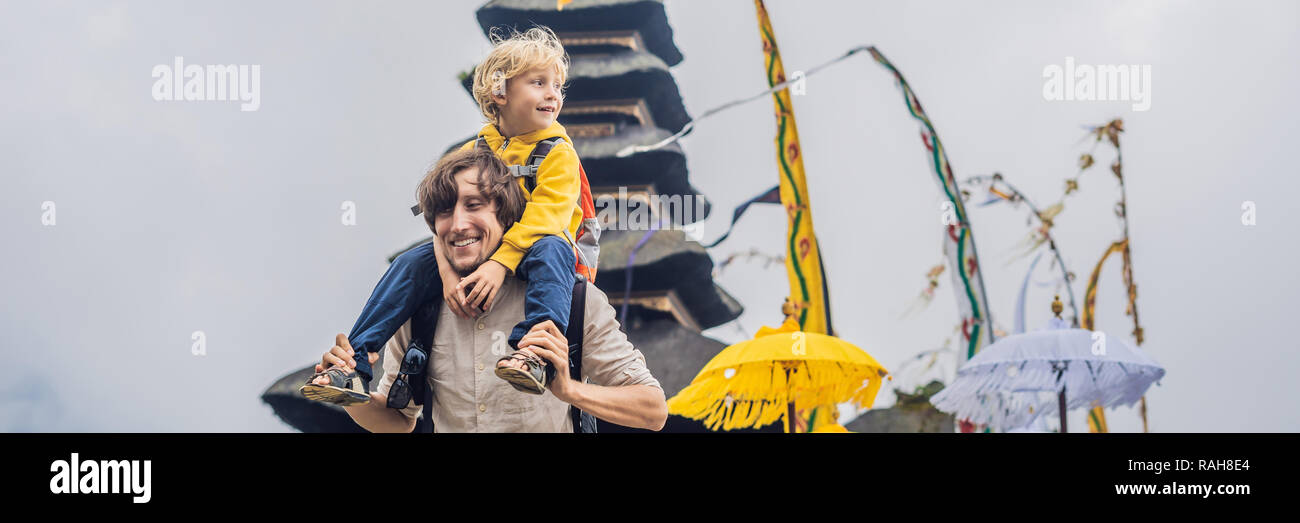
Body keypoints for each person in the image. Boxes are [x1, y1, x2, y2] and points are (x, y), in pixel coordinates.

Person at [300, 26, 594, 405]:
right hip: (480, 247)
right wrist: (447, 273)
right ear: (499, 92)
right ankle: (354, 363)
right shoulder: (474, 150)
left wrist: (499, 265)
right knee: (409, 263)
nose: (553, 93)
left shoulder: (557, 152)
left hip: (533, 251)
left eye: (557, 86)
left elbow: (548, 217)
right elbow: (443, 219)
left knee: (553, 248)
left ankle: (535, 353)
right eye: (538, 83)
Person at [314, 147, 667, 432]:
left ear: (506, 215)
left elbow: (653, 410)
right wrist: (348, 396)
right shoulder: (420, 307)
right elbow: (398, 421)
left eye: (474, 205)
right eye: (443, 211)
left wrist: (569, 390)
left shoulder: (574, 301)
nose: (458, 224)